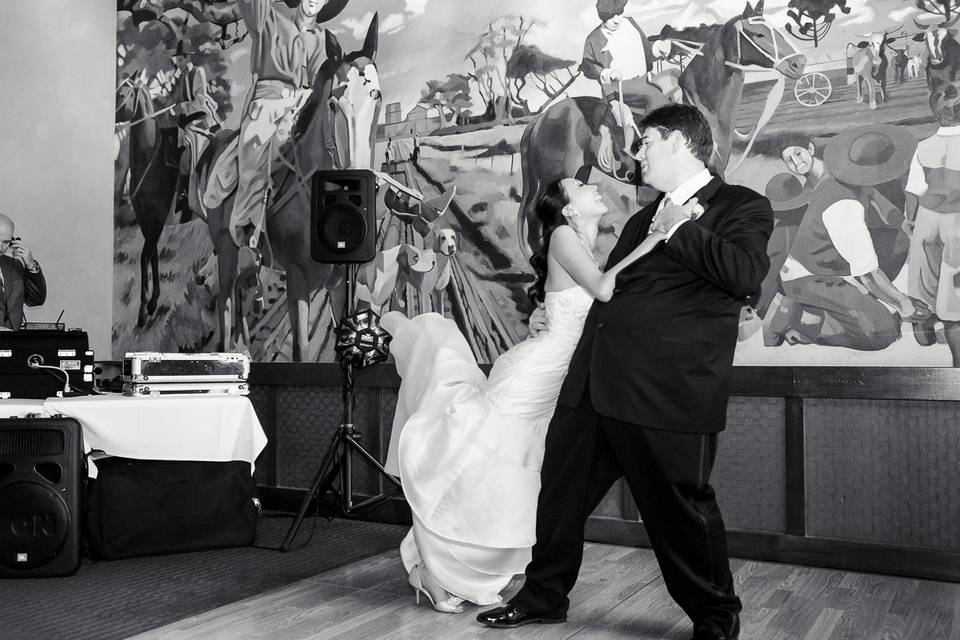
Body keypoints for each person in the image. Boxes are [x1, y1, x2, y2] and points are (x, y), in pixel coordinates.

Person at [477, 104, 773, 640]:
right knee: (560, 494)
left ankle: (715, 617)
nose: (637, 154)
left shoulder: (741, 205)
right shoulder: (642, 216)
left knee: (679, 509)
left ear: (679, 143)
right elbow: (616, 287)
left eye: (646, 143)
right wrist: (552, 308)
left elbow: (744, 274)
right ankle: (544, 595)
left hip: (665, 390)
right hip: (595, 379)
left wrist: (680, 227)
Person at [381, 177, 703, 613]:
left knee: (501, 481)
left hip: (557, 379)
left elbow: (591, 303)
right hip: (534, 375)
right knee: (469, 466)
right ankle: (432, 571)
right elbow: (605, 289)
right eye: (581, 186)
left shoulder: (582, 245)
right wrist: (659, 233)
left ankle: (436, 565)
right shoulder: (565, 235)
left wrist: (544, 311)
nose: (592, 187)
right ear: (568, 210)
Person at [764, 124, 929, 349]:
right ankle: (800, 318)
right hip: (808, 277)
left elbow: (879, 205)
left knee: (898, 242)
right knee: (883, 331)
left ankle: (859, 300)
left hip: (832, 260)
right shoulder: (843, 204)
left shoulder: (844, 181)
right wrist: (901, 302)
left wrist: (906, 226)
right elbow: (868, 274)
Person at [228, 0, 347, 250]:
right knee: (254, 148)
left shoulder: (324, 38)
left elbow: (321, 77)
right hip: (267, 102)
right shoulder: (269, 17)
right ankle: (247, 225)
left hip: (303, 101)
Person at [903, 80, 960, 364]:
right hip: (957, 222)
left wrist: (909, 220)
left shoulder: (923, 146)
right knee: (953, 289)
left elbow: (913, 189)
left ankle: (923, 328)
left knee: (923, 276)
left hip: (926, 217)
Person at [580, 0, 669, 179]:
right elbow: (587, 66)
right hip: (618, 87)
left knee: (675, 86)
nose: (616, 19)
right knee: (656, 99)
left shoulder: (631, 23)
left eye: (618, 13)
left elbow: (646, 50)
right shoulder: (594, 38)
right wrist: (605, 71)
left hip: (644, 79)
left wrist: (657, 48)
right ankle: (647, 145)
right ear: (602, 17)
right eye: (610, 17)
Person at [169, 41, 221, 216]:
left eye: (179, 59)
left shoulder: (197, 72)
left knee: (191, 148)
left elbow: (199, 99)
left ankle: (189, 191)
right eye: (177, 59)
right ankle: (179, 190)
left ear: (186, 58)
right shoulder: (182, 76)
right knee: (173, 148)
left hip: (202, 119)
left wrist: (182, 107)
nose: (177, 62)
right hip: (186, 122)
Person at [0, 214, 46, 331]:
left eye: (5, 242)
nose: (0, 247)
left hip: (14, 343)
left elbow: (35, 300)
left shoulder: (14, 265)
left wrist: (30, 264)